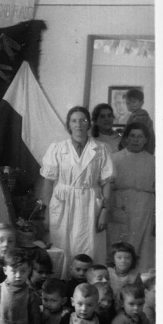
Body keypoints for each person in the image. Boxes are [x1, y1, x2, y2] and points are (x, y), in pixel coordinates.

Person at [41, 106, 115, 271]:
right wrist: (45, 212)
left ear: (89, 123)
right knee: (62, 247)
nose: (79, 124)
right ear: (68, 125)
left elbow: (107, 182)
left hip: (90, 204)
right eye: (74, 120)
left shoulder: (101, 149)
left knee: (89, 247)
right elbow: (48, 182)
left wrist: (104, 210)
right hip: (63, 201)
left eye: (83, 120)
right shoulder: (57, 149)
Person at [108, 122, 155, 270]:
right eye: (132, 136)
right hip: (120, 205)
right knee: (120, 247)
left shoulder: (153, 161)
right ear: (126, 138)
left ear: (146, 139)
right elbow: (107, 186)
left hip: (144, 209)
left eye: (140, 136)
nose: (136, 140)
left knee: (143, 248)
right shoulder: (114, 158)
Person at [107, 242, 143, 312]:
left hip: (126, 307)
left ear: (132, 260)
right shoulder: (108, 272)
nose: (123, 261)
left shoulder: (135, 276)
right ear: (113, 259)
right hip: (109, 304)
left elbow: (139, 293)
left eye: (127, 258)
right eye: (119, 258)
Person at [121, 88, 155, 154]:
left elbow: (137, 136)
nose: (131, 105)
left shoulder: (139, 117)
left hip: (139, 151)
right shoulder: (135, 115)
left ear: (141, 103)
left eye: (134, 102)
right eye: (128, 103)